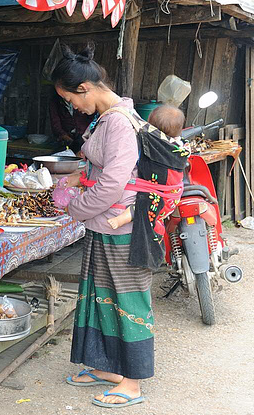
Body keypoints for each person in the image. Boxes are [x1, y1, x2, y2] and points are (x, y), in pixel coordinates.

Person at [54, 44, 152, 408]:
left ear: (86, 89)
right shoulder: (107, 118)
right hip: (103, 224)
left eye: (71, 100)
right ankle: (111, 368)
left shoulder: (119, 123)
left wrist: (74, 209)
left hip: (119, 227)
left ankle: (133, 381)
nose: (73, 108)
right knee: (102, 297)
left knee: (128, 300)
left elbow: (112, 184)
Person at [107, 105, 185, 230]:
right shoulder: (179, 145)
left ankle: (122, 219)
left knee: (144, 203)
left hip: (162, 194)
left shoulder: (151, 144)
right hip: (173, 194)